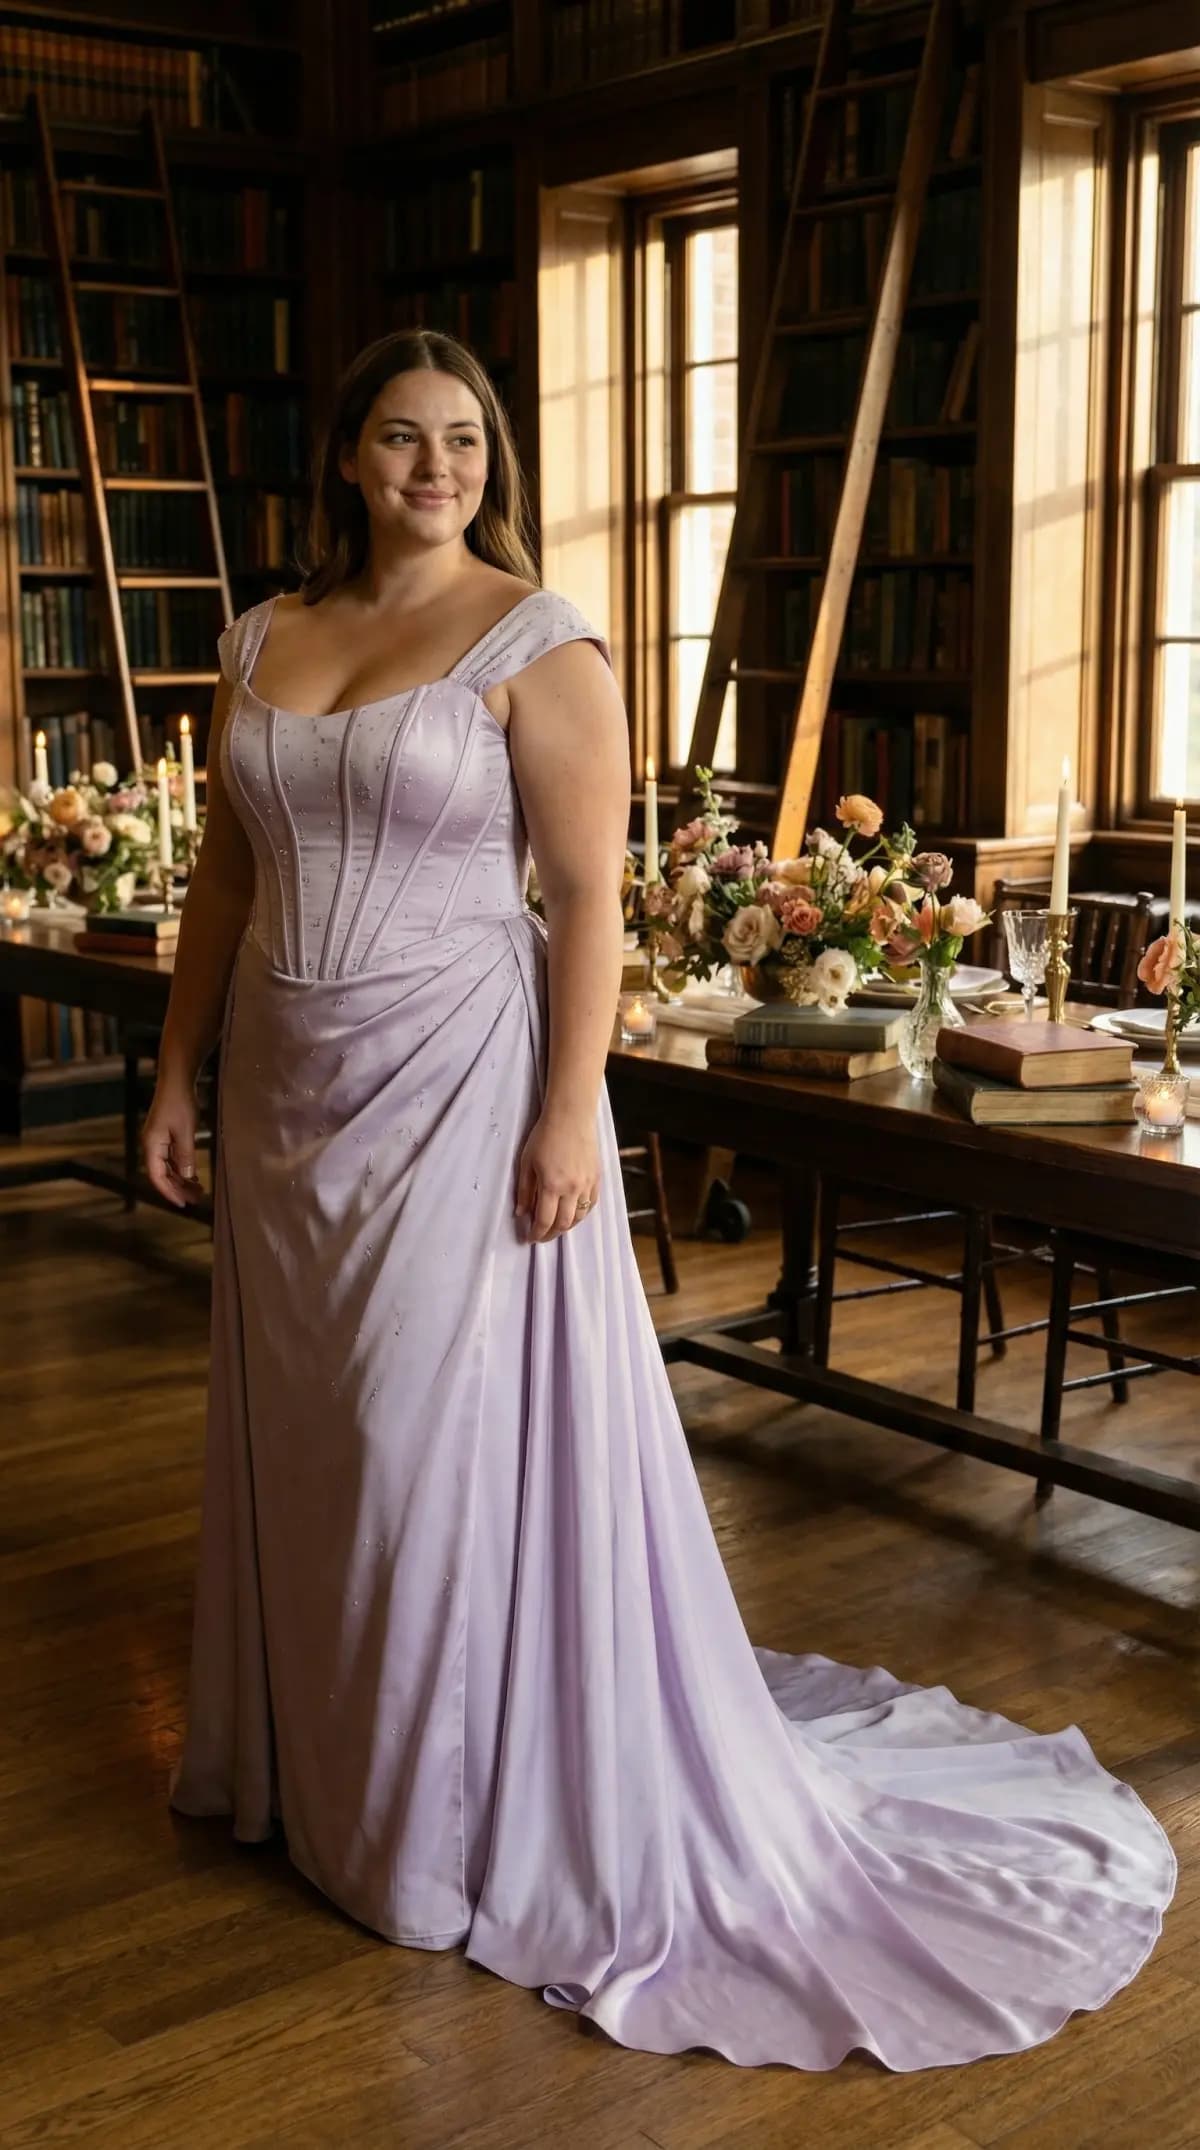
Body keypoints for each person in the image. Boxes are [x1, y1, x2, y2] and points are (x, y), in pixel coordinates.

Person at [151, 327, 1174, 2073]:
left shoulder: (542, 642)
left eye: (464, 442)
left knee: (419, 1449)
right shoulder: (262, 639)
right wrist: (176, 1072)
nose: (435, 471)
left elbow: (586, 900)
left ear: (493, 461)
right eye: (400, 440)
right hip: (279, 1099)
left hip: (459, 1090)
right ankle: (309, 1770)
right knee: (311, 1445)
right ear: (344, 456)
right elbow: (226, 877)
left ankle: (435, 1823)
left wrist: (573, 1116)